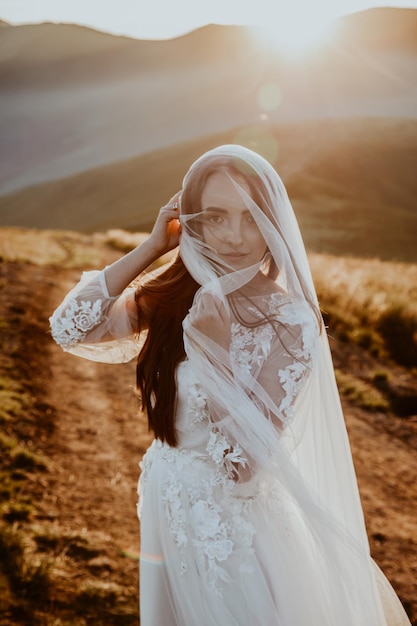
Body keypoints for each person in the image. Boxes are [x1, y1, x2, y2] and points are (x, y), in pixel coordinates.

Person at [50, 145, 411, 625]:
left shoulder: (292, 323)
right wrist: (154, 246)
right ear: (192, 220)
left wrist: (216, 355)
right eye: (216, 217)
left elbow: (242, 468)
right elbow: (70, 329)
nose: (235, 237)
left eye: (251, 217)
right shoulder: (173, 294)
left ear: (274, 223)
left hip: (238, 535)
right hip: (168, 503)